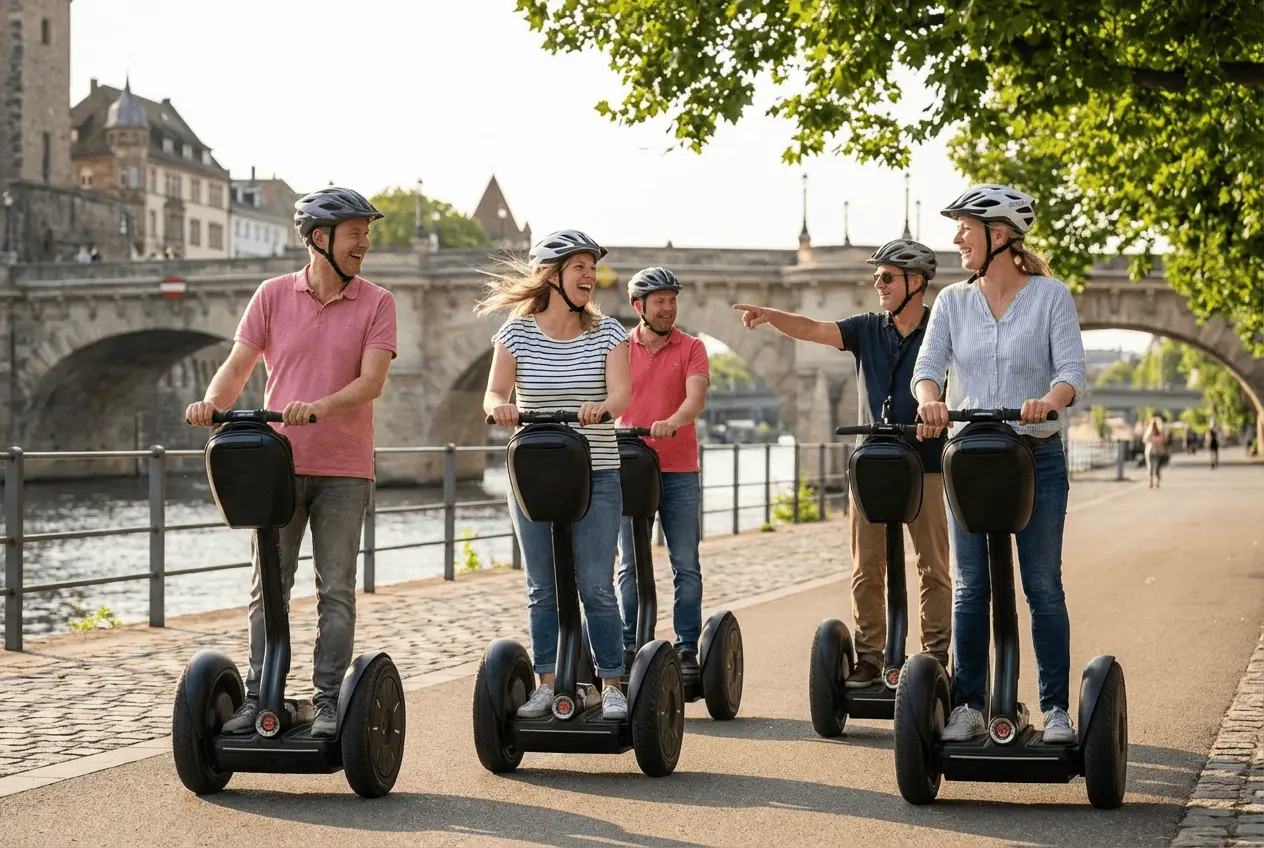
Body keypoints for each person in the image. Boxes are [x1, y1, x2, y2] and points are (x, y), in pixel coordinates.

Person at [186, 187, 398, 737]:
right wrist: (213, 403)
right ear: (320, 239)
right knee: (269, 587)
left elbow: (371, 382)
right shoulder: (272, 295)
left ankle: (327, 699)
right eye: (356, 233)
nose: (365, 244)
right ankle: (262, 697)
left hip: (346, 468)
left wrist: (320, 408)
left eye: (366, 233)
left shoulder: (378, 302)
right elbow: (238, 366)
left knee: (336, 590)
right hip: (276, 466)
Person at [912, 184, 1087, 745]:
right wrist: (928, 400)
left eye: (966, 227)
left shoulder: (1052, 296)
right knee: (971, 588)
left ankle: (1056, 709)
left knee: (1041, 585)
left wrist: (1050, 401)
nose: (957, 238)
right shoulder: (952, 302)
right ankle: (968, 704)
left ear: (1001, 235)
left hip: (1035, 456)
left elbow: (1070, 372)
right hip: (973, 459)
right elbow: (928, 367)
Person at [733, 238, 952, 687]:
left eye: (887, 277)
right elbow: (815, 329)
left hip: (926, 463)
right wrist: (774, 317)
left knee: (933, 565)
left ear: (916, 282)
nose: (878, 284)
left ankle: (936, 658)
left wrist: (942, 410)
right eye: (876, 277)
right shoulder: (867, 328)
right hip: (872, 465)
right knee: (866, 566)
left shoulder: (943, 330)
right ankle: (870, 656)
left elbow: (964, 383)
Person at [477, 229, 632, 720]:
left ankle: (610, 682)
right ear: (553, 275)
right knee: (541, 586)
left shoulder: (609, 333)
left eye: (592, 267)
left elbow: (622, 397)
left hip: (597, 473)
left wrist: (602, 408)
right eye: (580, 267)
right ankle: (546, 682)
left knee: (595, 584)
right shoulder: (515, 333)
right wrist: (501, 408)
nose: (591, 276)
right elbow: (493, 393)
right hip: (535, 475)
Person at [615, 267, 710, 681]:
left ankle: (687, 647)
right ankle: (630, 642)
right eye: (659, 302)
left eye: (672, 300)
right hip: (631, 465)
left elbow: (695, 399)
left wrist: (673, 419)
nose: (668, 308)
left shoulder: (692, 347)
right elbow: (605, 397)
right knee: (628, 567)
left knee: (685, 564)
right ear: (639, 307)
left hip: (678, 470)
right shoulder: (619, 348)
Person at [1143, 416, 1167, 489]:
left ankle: (1153, 482)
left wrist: (1153, 441)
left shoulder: (1153, 432)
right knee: (1155, 467)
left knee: (1153, 466)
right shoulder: (1154, 432)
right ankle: (1154, 482)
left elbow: (1145, 440)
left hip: (1153, 451)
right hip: (1154, 451)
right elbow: (1163, 440)